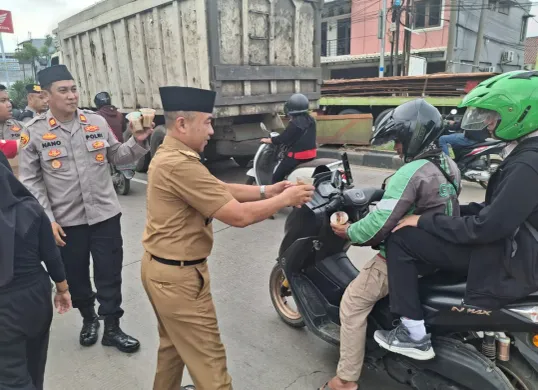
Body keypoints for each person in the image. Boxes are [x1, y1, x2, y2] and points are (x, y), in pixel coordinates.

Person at [141, 86, 315, 390]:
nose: (211, 130)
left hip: (163, 271)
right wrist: (286, 200)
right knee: (212, 369)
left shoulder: (173, 153)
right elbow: (238, 216)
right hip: (179, 280)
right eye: (207, 122)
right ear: (182, 124)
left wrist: (268, 190)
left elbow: (218, 187)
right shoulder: (179, 163)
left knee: (172, 350)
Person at [374, 70, 538, 361]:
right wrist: (452, 214)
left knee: (403, 239)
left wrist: (424, 221)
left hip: (510, 259)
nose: (488, 123)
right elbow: (498, 211)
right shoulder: (527, 154)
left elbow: (486, 227)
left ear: (521, 114)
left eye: (494, 116)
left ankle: (413, 335)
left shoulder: (528, 163)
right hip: (518, 248)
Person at [319, 99, 461, 390]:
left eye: (399, 140)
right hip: (441, 251)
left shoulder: (411, 172)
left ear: (414, 136)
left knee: (353, 303)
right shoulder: (448, 164)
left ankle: (344, 380)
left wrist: (347, 231)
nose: (396, 147)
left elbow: (378, 225)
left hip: (408, 256)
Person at [19, 64, 151, 353]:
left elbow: (117, 155)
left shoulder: (96, 122)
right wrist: (48, 221)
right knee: (76, 276)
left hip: (104, 215)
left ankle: (112, 328)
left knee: (110, 273)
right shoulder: (35, 132)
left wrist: (137, 141)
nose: (72, 96)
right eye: (63, 91)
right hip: (66, 222)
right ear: (47, 96)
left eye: (74, 89)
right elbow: (31, 183)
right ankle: (89, 318)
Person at [0, 152, 72, 390]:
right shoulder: (30, 206)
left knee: (11, 378)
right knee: (35, 363)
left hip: (5, 309)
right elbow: (51, 255)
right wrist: (63, 289)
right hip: (36, 299)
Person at [260, 93, 317, 183]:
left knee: (276, 177)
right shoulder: (311, 120)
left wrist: (269, 140)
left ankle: (276, 194)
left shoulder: (295, 123)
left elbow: (283, 138)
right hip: (311, 155)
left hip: (297, 157)